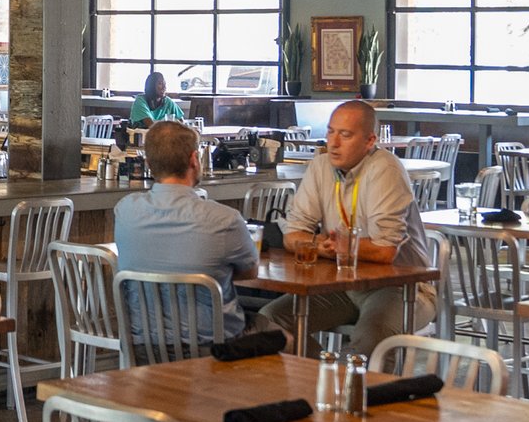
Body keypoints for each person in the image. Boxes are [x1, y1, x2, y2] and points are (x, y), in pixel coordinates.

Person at [281, 99, 435, 351]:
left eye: (345, 135)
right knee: (271, 321)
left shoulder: (384, 169)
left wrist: (341, 246)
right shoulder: (320, 166)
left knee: (370, 336)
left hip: (402, 289)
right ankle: (323, 381)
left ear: (370, 141)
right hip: (340, 284)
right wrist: (320, 246)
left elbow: (385, 251)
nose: (333, 143)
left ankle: (359, 390)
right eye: (330, 132)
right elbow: (292, 233)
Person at [112, 121, 258, 338]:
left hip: (143, 347)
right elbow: (250, 272)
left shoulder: (124, 211)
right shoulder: (224, 220)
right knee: (286, 336)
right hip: (214, 351)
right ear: (194, 160)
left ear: (149, 163)